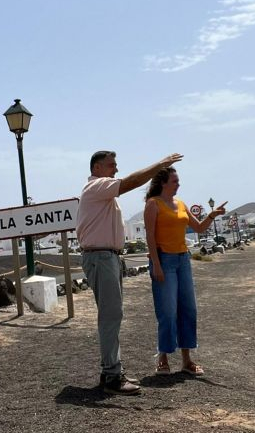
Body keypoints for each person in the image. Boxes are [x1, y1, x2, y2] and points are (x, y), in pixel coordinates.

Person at [77, 150, 183, 395]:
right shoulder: (97, 187)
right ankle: (112, 375)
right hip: (101, 257)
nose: (115, 169)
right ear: (97, 169)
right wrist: (159, 165)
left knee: (112, 314)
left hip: (107, 257)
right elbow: (131, 183)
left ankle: (111, 371)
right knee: (111, 315)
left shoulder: (101, 191)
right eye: (111, 165)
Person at [143, 166, 226, 376]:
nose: (178, 184)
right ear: (163, 182)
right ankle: (163, 358)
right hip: (164, 260)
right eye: (174, 181)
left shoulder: (181, 204)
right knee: (168, 312)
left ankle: (187, 360)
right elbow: (150, 238)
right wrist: (157, 265)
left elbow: (198, 228)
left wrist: (213, 215)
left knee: (189, 309)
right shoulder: (153, 204)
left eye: (178, 181)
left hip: (183, 260)